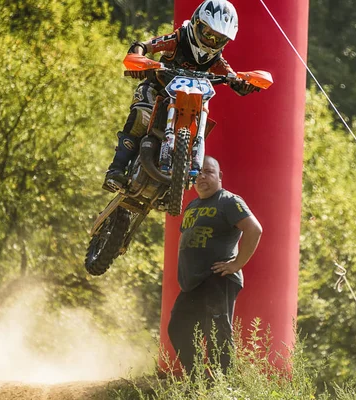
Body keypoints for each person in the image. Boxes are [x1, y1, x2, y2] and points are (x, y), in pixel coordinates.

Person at [103, 0, 257, 192]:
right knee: (140, 117)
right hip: (157, 89)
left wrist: (243, 83)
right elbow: (145, 45)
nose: (211, 42)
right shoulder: (178, 39)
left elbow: (232, 76)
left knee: (203, 121)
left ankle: (177, 175)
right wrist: (140, 59)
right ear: (196, 24)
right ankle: (116, 169)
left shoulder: (216, 59)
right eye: (208, 34)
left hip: (190, 102)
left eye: (219, 40)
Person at [167, 156, 263, 377]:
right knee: (179, 328)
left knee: (217, 332)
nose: (201, 176)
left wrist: (236, 264)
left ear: (219, 176)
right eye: (198, 172)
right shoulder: (192, 205)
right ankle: (200, 380)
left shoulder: (228, 201)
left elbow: (254, 229)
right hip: (194, 282)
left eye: (208, 172)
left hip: (217, 277)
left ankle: (223, 385)